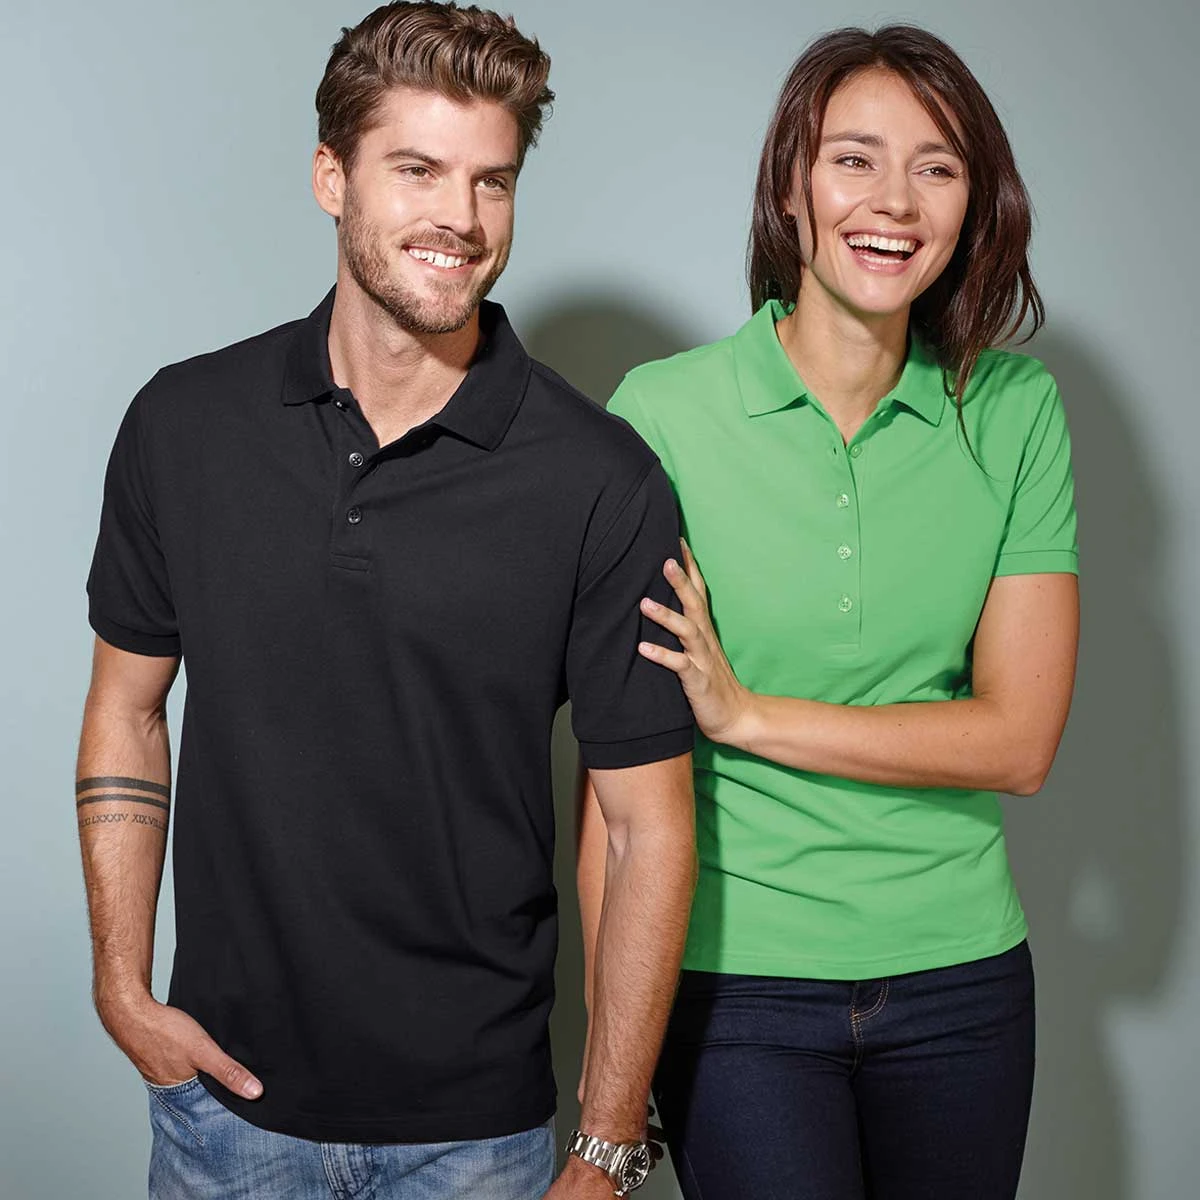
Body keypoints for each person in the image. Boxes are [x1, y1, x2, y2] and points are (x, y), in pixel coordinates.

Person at [76, 4, 696, 1198]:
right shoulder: (183, 425)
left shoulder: (601, 479)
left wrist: (608, 1144)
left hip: (476, 1139)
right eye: (417, 170)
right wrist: (122, 987)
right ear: (332, 178)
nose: (461, 217)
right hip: (222, 1118)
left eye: (492, 181)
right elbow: (127, 708)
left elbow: (645, 830)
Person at [578, 24, 1079, 1200]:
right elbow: (615, 794)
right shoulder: (663, 415)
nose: (894, 201)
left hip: (964, 984)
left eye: (937, 167)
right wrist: (613, 1084)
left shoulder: (1014, 411)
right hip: (735, 986)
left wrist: (748, 715)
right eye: (854, 158)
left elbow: (1019, 741)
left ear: (974, 206)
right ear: (792, 188)